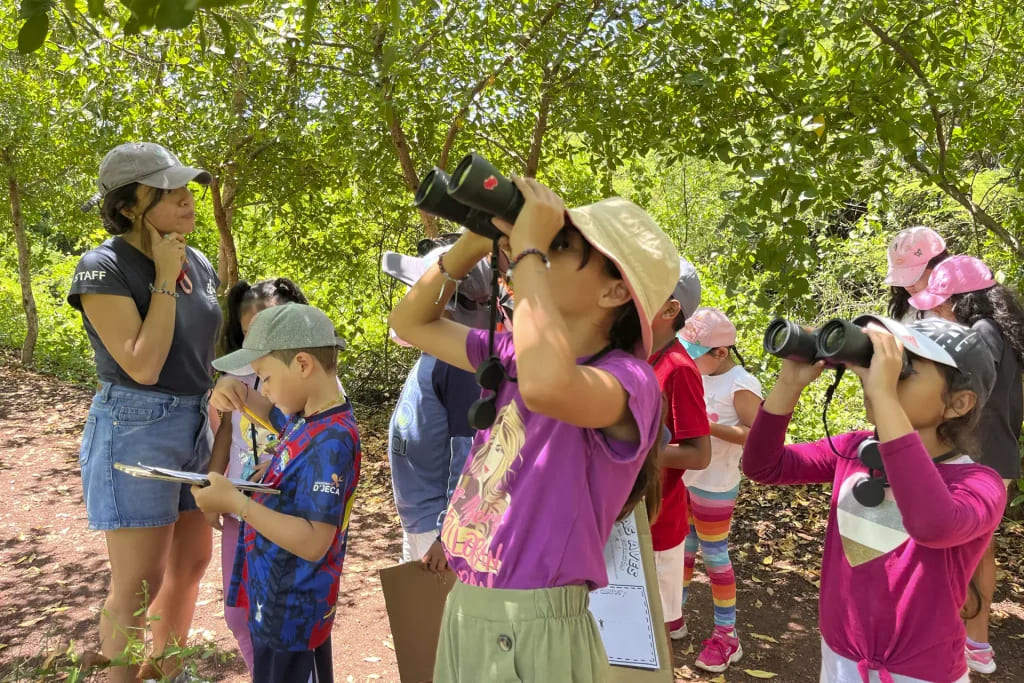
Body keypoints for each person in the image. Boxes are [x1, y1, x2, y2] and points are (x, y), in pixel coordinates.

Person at [388, 178, 677, 683]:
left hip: (534, 626)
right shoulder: (512, 356)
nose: (540, 251)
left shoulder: (630, 381)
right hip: (467, 605)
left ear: (613, 291)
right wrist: (473, 244)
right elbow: (411, 323)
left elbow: (548, 386)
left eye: (560, 246)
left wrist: (526, 251)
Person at [743, 314, 1003, 682]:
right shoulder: (853, 449)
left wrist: (884, 395)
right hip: (838, 658)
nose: (877, 379)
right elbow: (763, 466)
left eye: (901, 370)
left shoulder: (978, 484)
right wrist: (788, 384)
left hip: (921, 674)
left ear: (958, 403)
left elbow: (932, 523)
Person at [68, 142, 221, 682]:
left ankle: (167, 670)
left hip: (197, 421)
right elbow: (143, 365)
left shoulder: (196, 261)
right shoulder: (103, 266)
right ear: (130, 205)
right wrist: (162, 276)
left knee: (190, 564)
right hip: (137, 423)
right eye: (169, 192)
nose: (187, 201)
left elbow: (205, 350)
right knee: (138, 582)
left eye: (186, 190)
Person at [197, 303, 360, 683]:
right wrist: (232, 389)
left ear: (302, 365)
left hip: (296, 616)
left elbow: (314, 540)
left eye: (264, 378)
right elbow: (273, 415)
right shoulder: (308, 417)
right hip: (273, 600)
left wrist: (237, 503)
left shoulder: (332, 440)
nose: (264, 390)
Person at [907, 254, 1024, 674]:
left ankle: (961, 642)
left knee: (961, 554)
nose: (939, 309)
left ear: (967, 299)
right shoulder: (1003, 330)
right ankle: (976, 642)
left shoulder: (980, 335)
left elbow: (960, 393)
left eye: (944, 303)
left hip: (977, 461)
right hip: (999, 457)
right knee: (978, 551)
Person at [204, 277, 310, 675]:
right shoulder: (234, 373)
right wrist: (212, 482)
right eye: (251, 332)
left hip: (288, 515)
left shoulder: (310, 378)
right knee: (238, 615)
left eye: (273, 327)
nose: (261, 341)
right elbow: (225, 433)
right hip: (237, 509)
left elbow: (301, 431)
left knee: (282, 617)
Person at [383, 235, 498, 571]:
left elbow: (469, 457)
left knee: (434, 623)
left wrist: (449, 535)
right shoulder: (435, 357)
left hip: (438, 527)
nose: (407, 303)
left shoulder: (459, 367)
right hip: (421, 520)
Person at [678, 307, 762, 672]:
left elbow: (756, 437)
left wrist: (707, 428)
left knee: (714, 558)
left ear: (721, 353)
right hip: (684, 480)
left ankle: (727, 635)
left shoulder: (739, 384)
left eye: (697, 356)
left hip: (715, 486)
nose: (690, 361)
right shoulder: (697, 375)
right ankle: (672, 614)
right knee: (681, 552)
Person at [645, 259, 712, 650]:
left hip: (657, 525)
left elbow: (699, 453)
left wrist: (636, 450)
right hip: (626, 518)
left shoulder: (679, 368)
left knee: (653, 633)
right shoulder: (638, 357)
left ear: (671, 310)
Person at [884, 226, 949, 324]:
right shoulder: (902, 305)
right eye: (902, 277)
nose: (907, 285)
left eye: (914, 276)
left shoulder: (963, 304)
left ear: (939, 267)